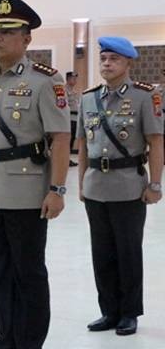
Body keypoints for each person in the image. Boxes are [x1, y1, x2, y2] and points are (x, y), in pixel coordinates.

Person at [0, 0, 70, 349]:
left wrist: (57, 189)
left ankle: (29, 343)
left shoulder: (45, 81)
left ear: (26, 39)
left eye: (7, 31)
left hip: (27, 190)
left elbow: (59, 137)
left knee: (29, 273)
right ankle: (6, 339)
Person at [78, 36, 163, 336]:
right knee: (101, 253)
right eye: (103, 59)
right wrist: (80, 184)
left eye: (113, 59)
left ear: (128, 63)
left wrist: (155, 184)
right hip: (95, 187)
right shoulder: (88, 98)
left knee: (128, 252)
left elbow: (155, 141)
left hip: (129, 186)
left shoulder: (144, 96)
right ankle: (109, 311)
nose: (107, 64)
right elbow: (83, 146)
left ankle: (129, 312)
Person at [66, 71, 80, 167]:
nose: (74, 80)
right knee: (67, 140)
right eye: (73, 78)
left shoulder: (74, 92)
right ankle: (65, 159)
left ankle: (68, 159)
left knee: (72, 140)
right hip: (68, 119)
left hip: (75, 119)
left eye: (75, 78)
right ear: (68, 79)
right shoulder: (64, 90)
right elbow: (63, 105)